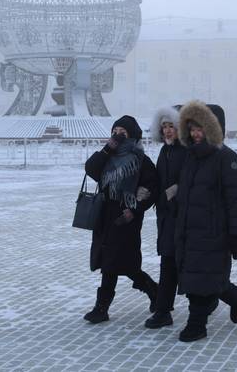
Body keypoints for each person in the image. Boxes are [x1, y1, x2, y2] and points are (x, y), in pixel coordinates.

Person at [175, 101, 237, 342]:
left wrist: (236, 234)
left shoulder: (226, 158)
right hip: (189, 230)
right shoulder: (190, 157)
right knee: (199, 276)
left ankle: (196, 325)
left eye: (201, 129)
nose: (196, 134)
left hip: (213, 231)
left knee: (202, 279)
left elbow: (234, 198)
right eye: (192, 129)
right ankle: (236, 296)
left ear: (214, 129)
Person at [83, 115, 159, 324]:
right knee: (113, 262)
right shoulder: (108, 156)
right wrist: (108, 148)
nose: (118, 135)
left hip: (126, 218)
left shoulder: (141, 160)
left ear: (132, 135)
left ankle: (103, 308)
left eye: (122, 132)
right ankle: (153, 292)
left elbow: (152, 187)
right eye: (115, 131)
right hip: (105, 215)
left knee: (121, 264)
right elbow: (91, 169)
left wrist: (134, 208)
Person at [144, 106, 186, 329]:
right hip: (167, 219)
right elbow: (159, 180)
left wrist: (176, 190)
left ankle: (231, 295)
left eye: (172, 126)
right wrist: (148, 193)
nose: (168, 131)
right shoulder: (165, 151)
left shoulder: (186, 151)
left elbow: (194, 180)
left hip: (185, 219)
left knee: (190, 265)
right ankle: (163, 311)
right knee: (168, 263)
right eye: (165, 127)